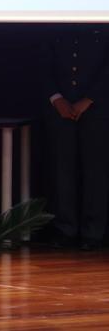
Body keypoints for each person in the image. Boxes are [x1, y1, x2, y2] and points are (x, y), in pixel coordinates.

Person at [43, 25, 109, 251]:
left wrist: (89, 99)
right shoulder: (53, 24)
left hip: (97, 109)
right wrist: (57, 98)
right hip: (59, 110)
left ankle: (94, 232)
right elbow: (42, 64)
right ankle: (65, 229)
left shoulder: (102, 24)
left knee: (95, 172)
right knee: (63, 171)